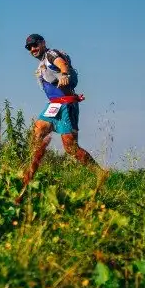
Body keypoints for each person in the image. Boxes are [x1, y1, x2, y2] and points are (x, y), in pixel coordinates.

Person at [16, 33, 106, 203]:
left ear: (43, 43)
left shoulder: (51, 55)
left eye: (35, 45)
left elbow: (61, 63)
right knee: (36, 132)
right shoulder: (43, 61)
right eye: (29, 47)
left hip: (66, 105)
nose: (32, 49)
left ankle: (99, 172)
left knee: (71, 148)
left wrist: (64, 74)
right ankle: (30, 172)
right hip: (54, 105)